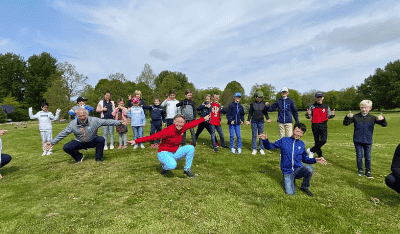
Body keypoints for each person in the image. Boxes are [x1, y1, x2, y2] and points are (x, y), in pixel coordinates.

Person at [127, 114, 211, 178]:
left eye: (182, 122)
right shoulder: (168, 131)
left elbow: (193, 124)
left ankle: (187, 169)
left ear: (184, 123)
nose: (179, 124)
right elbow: (152, 137)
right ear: (174, 122)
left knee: (190, 148)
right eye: (177, 122)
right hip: (163, 153)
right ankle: (164, 167)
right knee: (172, 166)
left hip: (174, 152)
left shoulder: (183, 128)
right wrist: (136, 141)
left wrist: (203, 118)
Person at [259, 123, 327, 197]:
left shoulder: (301, 144)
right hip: (287, 172)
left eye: (301, 133)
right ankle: (288, 180)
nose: (298, 134)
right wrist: (265, 140)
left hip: (298, 170)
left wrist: (316, 159)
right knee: (290, 193)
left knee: (309, 168)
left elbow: (305, 159)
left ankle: (304, 187)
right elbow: (269, 146)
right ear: (293, 130)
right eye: (297, 131)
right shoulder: (284, 140)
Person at [44, 108, 128, 164]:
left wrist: (119, 122)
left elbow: (107, 121)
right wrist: (52, 142)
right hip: (79, 142)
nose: (82, 117)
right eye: (80, 116)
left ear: (86, 114)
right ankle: (79, 157)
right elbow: (63, 133)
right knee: (66, 147)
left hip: (92, 140)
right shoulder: (73, 123)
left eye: (84, 115)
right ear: (77, 116)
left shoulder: (94, 120)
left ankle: (98, 159)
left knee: (101, 139)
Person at [343, 100, 387, 178]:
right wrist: (347, 117)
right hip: (357, 140)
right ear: (360, 108)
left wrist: (382, 119)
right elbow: (345, 123)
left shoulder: (372, 118)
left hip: (368, 140)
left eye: (366, 108)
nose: (364, 110)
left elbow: (384, 125)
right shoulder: (355, 117)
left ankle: (368, 171)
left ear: (370, 108)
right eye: (362, 108)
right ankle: (360, 170)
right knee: (359, 156)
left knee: (368, 157)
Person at [305, 91, 335, 159]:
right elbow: (308, 116)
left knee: (324, 140)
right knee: (317, 141)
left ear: (323, 98)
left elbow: (329, 116)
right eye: (318, 97)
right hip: (315, 124)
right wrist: (308, 114)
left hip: (323, 125)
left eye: (320, 97)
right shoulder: (312, 106)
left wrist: (332, 115)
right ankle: (320, 155)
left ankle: (311, 150)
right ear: (315, 98)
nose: (319, 99)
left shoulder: (326, 106)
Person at [246, 91, 271, 155]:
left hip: (261, 122)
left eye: (261, 97)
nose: (260, 98)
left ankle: (261, 148)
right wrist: (248, 120)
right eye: (258, 97)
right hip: (254, 121)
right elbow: (250, 113)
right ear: (255, 97)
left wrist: (268, 118)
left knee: (261, 135)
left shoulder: (263, 104)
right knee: (254, 135)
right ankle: (254, 149)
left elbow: (265, 113)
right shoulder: (252, 104)